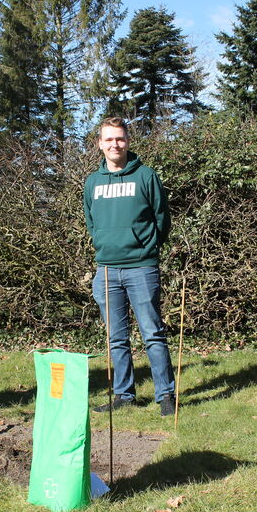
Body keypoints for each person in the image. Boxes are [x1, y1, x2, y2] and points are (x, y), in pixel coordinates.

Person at [83, 117, 176, 417]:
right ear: (100, 144)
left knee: (152, 333)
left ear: (128, 141)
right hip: (106, 270)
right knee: (116, 338)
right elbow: (91, 221)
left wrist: (146, 247)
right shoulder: (92, 183)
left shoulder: (146, 176)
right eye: (109, 139)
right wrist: (103, 242)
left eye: (120, 139)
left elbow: (162, 219)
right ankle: (124, 394)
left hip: (141, 268)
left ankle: (165, 395)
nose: (115, 144)